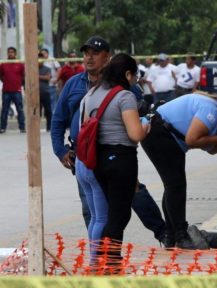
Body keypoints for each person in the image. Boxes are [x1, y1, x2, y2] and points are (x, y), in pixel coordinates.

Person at [51, 36, 166, 243]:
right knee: (93, 210)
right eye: (86, 53)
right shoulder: (73, 84)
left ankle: (163, 233)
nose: (89, 58)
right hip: (85, 155)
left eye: (95, 53)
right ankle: (100, 254)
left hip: (115, 151)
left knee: (133, 195)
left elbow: (137, 113)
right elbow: (58, 120)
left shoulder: (124, 86)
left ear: (107, 58)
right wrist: (60, 150)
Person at [140, 92, 217, 249]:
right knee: (175, 186)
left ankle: (172, 235)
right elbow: (192, 140)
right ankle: (180, 235)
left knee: (173, 185)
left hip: (165, 136)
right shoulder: (211, 111)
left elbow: (210, 149)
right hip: (160, 133)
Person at [81, 53, 149, 267]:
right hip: (121, 159)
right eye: (134, 77)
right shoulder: (124, 96)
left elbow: (85, 126)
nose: (134, 81)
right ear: (127, 74)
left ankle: (105, 259)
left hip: (99, 160)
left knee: (112, 213)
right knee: (119, 216)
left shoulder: (91, 93)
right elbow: (135, 134)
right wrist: (147, 124)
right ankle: (109, 262)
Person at [0, 47, 25, 134]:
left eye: (12, 52)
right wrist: (6, 81)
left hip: (17, 91)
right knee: (5, 110)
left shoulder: (20, 64)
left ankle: (22, 127)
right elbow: (1, 76)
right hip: (6, 90)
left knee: (20, 109)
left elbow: (23, 76)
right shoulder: (3, 64)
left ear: (15, 53)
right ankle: (2, 128)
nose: (10, 54)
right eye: (9, 52)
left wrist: (19, 83)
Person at [38, 52, 53, 131]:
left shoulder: (47, 68)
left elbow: (48, 78)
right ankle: (36, 128)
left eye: (41, 58)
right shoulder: (33, 68)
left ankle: (49, 127)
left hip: (45, 92)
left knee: (48, 111)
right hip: (36, 93)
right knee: (37, 112)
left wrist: (37, 76)